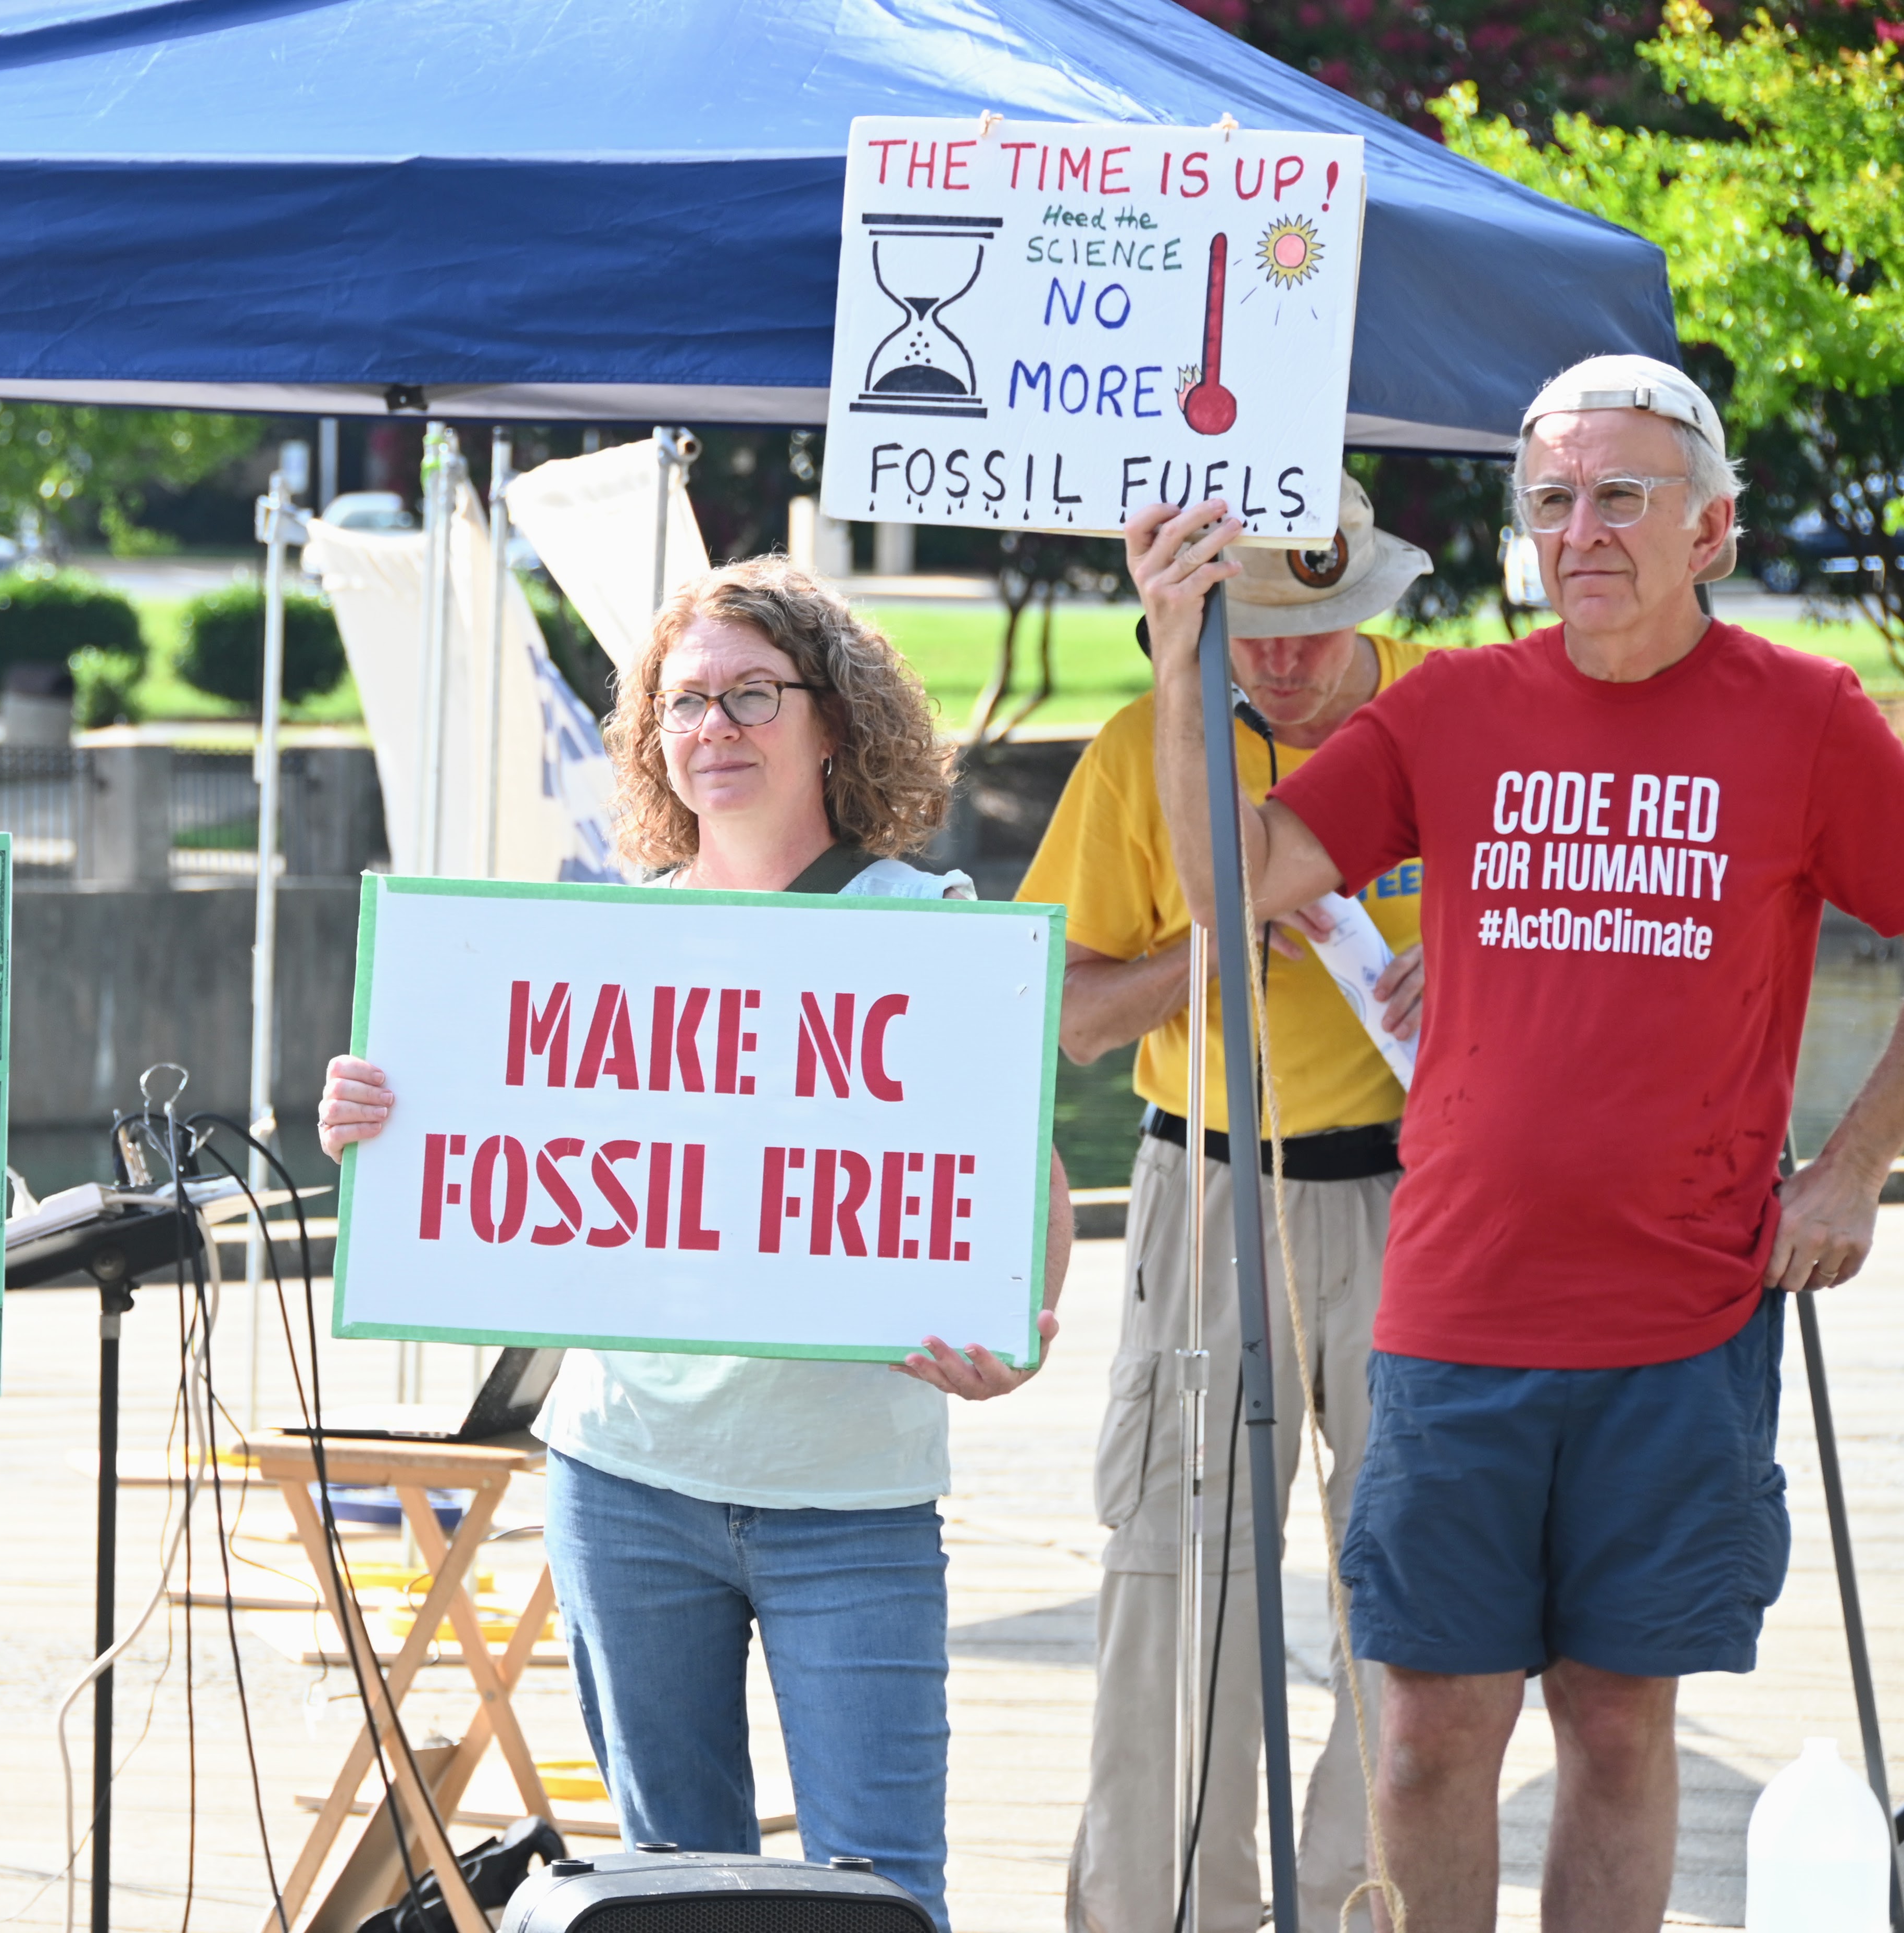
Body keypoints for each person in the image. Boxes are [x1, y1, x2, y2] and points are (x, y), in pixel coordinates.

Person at [1136, 356, 1904, 1931]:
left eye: (1623, 496)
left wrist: (1852, 1167)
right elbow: (1239, 883)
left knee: (1617, 1728)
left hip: (1683, 1317)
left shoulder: (1810, 717)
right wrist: (1173, 651)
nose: (1584, 532)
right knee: (1424, 1741)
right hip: (1459, 1311)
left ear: (1713, 528)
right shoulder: (1460, 708)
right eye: (1553, 502)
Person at [319, 556, 1075, 1928]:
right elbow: (474, 1128)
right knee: (672, 1892)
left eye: (750, 697)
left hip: (853, 1502)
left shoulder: (922, 930)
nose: (713, 729)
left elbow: (1026, 1184)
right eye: (683, 705)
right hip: (629, 1484)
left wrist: (1019, 1336)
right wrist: (381, 1112)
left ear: (832, 721)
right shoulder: (610, 936)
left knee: (886, 1890)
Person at [1021, 476, 1431, 1933]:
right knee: (1178, 1582)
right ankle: (1163, 1916)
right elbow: (1060, 1015)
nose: (1281, 661)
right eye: (1251, 628)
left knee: (1418, 1592)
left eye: (1314, 629)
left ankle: (1365, 1905)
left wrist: (1483, 977)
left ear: (1372, 601)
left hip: (1423, 1198)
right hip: (1209, 1181)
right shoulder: (1148, 746)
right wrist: (1195, 962)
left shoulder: (1458, 725)